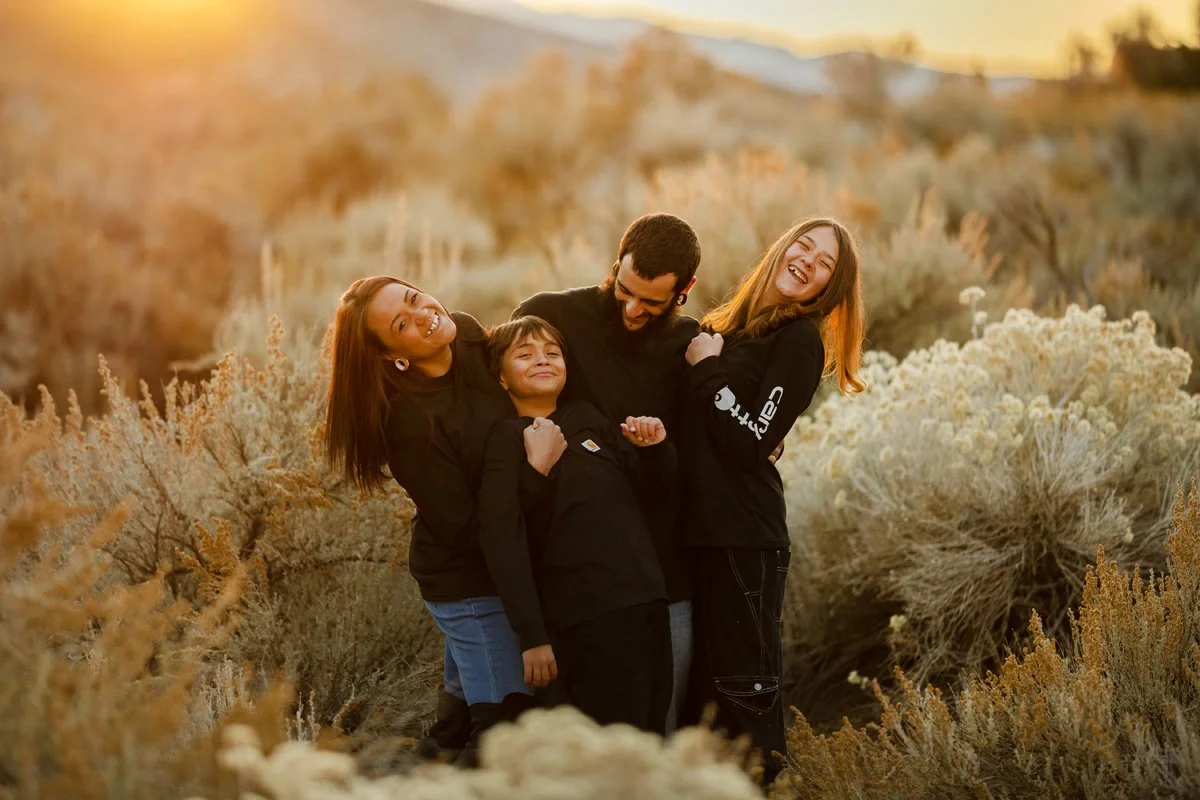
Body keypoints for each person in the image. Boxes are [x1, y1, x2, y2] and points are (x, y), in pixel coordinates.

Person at [680, 218, 865, 785]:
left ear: (828, 288)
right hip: (690, 537)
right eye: (803, 246)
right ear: (783, 249)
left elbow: (751, 441)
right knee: (697, 709)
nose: (808, 260)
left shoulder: (797, 341)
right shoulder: (728, 328)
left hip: (742, 542)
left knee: (744, 702)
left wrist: (708, 371)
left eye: (825, 263)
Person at [323, 277, 534, 765]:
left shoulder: (466, 333)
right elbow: (465, 527)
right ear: (389, 354)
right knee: (502, 729)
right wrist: (537, 478)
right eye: (402, 323)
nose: (423, 315)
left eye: (415, 298)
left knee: (455, 726)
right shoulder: (409, 422)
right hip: (469, 583)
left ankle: (419, 778)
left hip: (506, 560)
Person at [511, 212, 701, 732]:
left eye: (652, 302)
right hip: (568, 578)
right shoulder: (550, 315)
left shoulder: (686, 344)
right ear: (616, 265)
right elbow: (503, 398)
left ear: (683, 292)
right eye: (625, 289)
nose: (633, 308)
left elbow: (694, 456)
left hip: (660, 574)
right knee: (566, 737)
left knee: (655, 729)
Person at [476, 316, 675, 734]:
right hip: (586, 618)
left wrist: (655, 448)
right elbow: (503, 538)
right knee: (608, 752)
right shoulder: (506, 438)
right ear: (502, 379)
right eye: (525, 354)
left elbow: (655, 496)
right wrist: (532, 636)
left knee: (650, 743)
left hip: (647, 601)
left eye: (552, 352)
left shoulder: (587, 417)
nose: (542, 360)